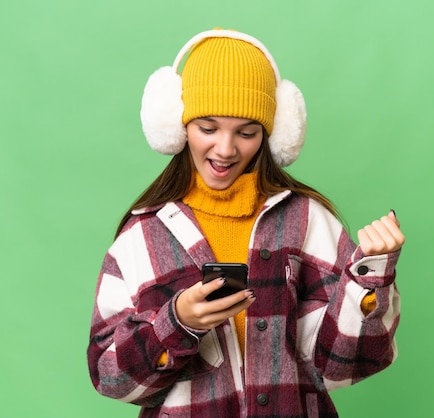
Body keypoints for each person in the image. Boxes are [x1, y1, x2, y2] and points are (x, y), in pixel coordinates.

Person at [87, 29, 405, 417]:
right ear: (177, 124)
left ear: (273, 133)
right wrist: (177, 322)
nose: (225, 149)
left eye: (247, 132)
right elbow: (109, 377)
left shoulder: (307, 222)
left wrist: (369, 279)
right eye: (208, 128)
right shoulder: (141, 238)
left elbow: (346, 365)